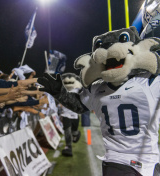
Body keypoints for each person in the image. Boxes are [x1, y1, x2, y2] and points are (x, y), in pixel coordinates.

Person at [38, 27, 160, 175]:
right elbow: (79, 105)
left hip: (152, 161)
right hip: (118, 161)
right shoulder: (148, 81)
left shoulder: (147, 82)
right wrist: (59, 92)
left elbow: (78, 105)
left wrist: (60, 93)